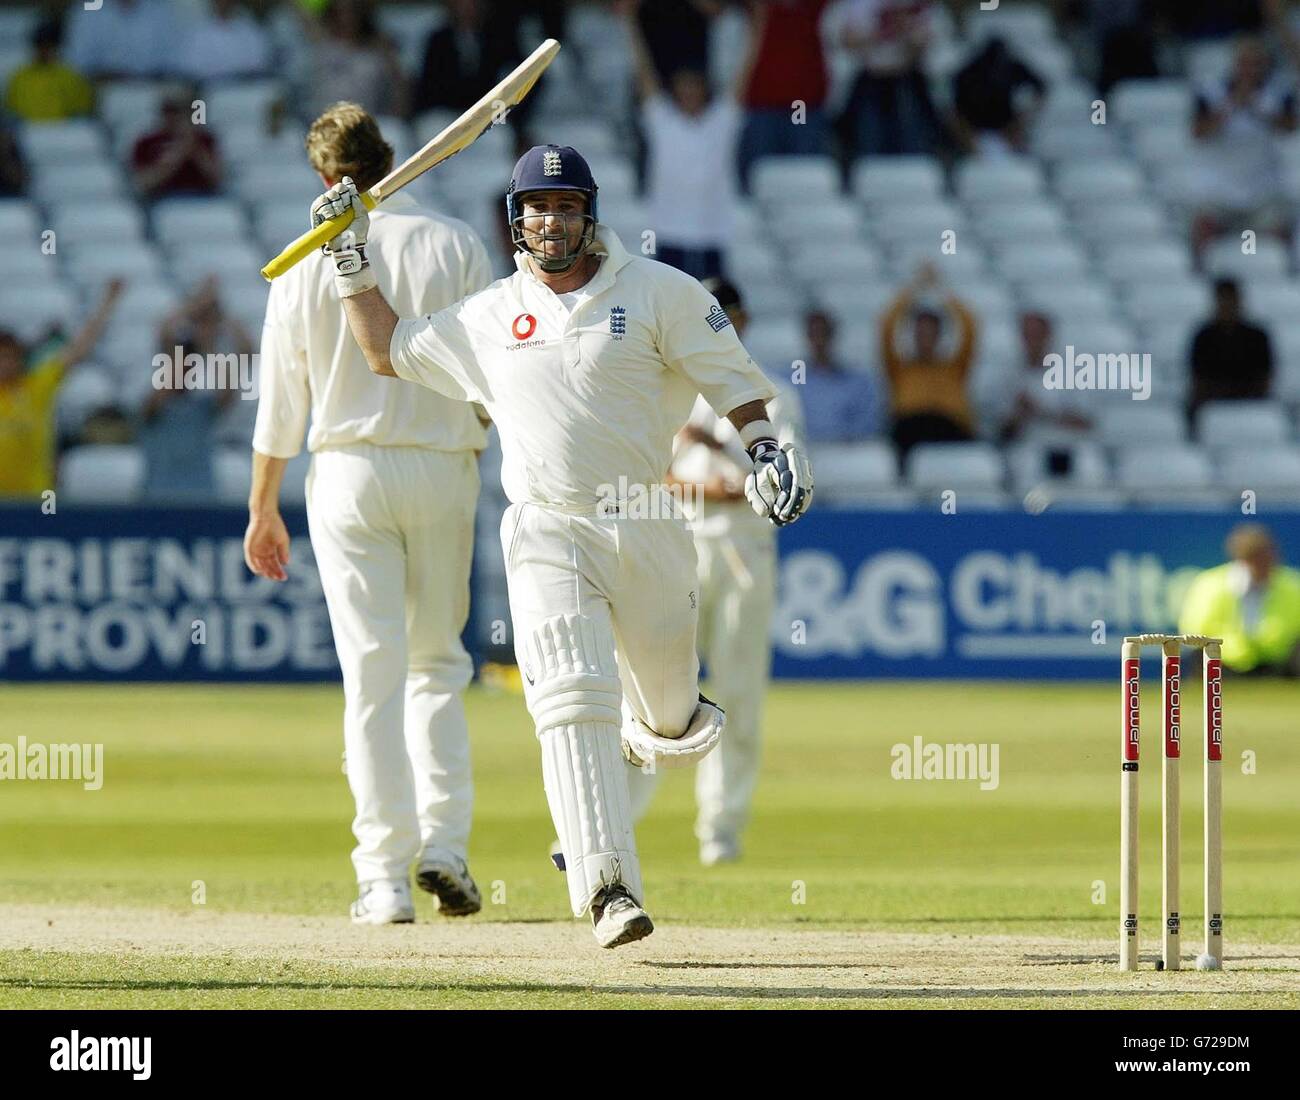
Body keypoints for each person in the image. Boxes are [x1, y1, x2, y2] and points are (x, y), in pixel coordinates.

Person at [314, 143, 813, 946]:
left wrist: (764, 449)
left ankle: (644, 740)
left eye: (566, 206)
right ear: (517, 221)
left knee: (672, 721)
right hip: (545, 523)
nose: (552, 221)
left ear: (590, 214)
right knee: (570, 701)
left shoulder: (659, 292)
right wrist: (348, 258)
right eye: (537, 207)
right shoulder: (486, 314)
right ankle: (607, 887)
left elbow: (733, 380)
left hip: (645, 518)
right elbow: (387, 349)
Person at [244, 103, 492, 925]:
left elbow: (281, 403)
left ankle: (384, 880)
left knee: (373, 678)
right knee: (438, 667)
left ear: (323, 179)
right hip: (443, 466)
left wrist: (262, 507)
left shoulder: (306, 262)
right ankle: (446, 845)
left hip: (346, 470)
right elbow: (497, 378)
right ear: (388, 158)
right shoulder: (456, 242)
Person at [631, 277, 805, 866]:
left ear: (741, 320)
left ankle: (721, 827)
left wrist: (719, 456)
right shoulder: (668, 389)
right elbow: (650, 478)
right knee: (654, 690)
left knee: (738, 691)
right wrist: (710, 480)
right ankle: (612, 825)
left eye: (725, 316)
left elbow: (780, 486)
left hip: (742, 553)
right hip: (674, 544)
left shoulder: (772, 395)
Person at [620, 0, 751, 280]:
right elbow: (645, 74)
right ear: (675, 90)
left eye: (695, 86)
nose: (690, 92)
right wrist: (630, 22)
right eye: (684, 86)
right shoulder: (663, 121)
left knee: (714, 312)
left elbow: (744, 76)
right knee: (668, 313)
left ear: (705, 89)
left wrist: (758, 27)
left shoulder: (720, 121)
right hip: (669, 233)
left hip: (712, 234)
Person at [0, 280, 125, 500]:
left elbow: (78, 350)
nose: (5, 363)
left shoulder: (36, 386)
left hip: (33, 500)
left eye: (10, 357)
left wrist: (107, 303)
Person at [1189, 37, 1296, 264]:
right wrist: (1231, 107)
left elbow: (1289, 127)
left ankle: (1287, 276)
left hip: (1262, 190)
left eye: (1256, 63)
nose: (1250, 69)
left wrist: (1258, 109)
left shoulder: (1278, 91)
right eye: (1245, 63)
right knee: (1201, 228)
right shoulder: (1212, 92)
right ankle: (1200, 277)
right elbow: (1199, 133)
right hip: (1221, 190)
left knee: (1282, 229)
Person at [139, 278, 247, 502]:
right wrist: (196, 307)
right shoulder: (152, 405)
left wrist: (216, 325)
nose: (187, 367)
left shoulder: (204, 407)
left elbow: (245, 353)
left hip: (201, 502)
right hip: (157, 503)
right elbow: (166, 333)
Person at [880, 265, 978, 465]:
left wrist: (942, 291)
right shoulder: (900, 369)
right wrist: (914, 289)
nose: (926, 337)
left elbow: (970, 327)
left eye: (931, 332)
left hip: (950, 430)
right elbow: (886, 327)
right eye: (921, 332)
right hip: (910, 430)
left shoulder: (954, 368)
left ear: (939, 335)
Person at [737, 0, 833, 191]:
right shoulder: (759, 6)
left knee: (803, 166)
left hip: (800, 103)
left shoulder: (811, 6)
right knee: (759, 170)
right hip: (762, 103)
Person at [1179, 524, 1300, 676]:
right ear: (1242, 560)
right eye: (1256, 559)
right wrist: (1235, 647)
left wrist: (1266, 642)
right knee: (1200, 655)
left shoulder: (1292, 585)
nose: (1264, 566)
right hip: (1225, 664)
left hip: (1278, 664)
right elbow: (1194, 629)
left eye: (1268, 558)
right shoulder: (1211, 584)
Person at [828, 0, 939, 158]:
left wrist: (903, 29)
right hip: (870, 80)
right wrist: (882, 31)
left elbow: (925, 42)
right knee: (869, 142)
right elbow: (846, 41)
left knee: (912, 144)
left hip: (906, 80)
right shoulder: (859, 3)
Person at [298, 0, 408, 123]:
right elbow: (300, 11)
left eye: (352, 12)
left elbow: (400, 85)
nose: (346, 18)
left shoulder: (379, 47)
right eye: (340, 13)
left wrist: (397, 117)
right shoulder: (320, 38)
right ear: (331, 14)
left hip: (367, 123)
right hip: (323, 123)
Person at [999, 311, 1093, 442]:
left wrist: (1040, 411)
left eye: (1036, 335)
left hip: (1065, 447)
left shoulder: (1072, 376)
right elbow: (1000, 432)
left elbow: (1086, 423)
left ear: (1048, 336)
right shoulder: (1009, 378)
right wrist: (1019, 414)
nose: (1032, 342)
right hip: (1023, 451)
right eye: (1027, 336)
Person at [1187, 278, 1273, 420]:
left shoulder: (1257, 336)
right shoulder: (1203, 336)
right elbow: (1198, 378)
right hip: (1213, 398)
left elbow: (1265, 376)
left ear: (1239, 301)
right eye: (1223, 300)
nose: (1227, 306)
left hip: (1250, 397)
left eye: (1231, 300)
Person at [797, 310, 883, 443]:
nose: (819, 341)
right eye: (814, 334)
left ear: (833, 336)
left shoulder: (858, 381)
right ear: (807, 337)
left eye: (823, 334)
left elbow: (868, 423)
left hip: (847, 452)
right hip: (805, 451)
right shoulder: (794, 381)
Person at [952, 36, 1045, 157]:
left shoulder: (1011, 67)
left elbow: (1041, 87)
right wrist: (967, 135)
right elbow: (955, 108)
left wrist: (1022, 119)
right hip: (974, 129)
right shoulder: (969, 71)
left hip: (1007, 128)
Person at [130, 88, 223, 199]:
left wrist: (194, 147)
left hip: (203, 198)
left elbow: (216, 179)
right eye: (170, 110)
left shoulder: (204, 139)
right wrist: (178, 154)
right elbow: (145, 183)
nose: (175, 117)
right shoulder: (146, 142)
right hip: (164, 199)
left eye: (182, 111)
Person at [3, 18, 95, 123]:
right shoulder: (18, 78)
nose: (44, 51)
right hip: (28, 133)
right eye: (40, 46)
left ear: (57, 47)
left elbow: (81, 113)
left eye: (49, 46)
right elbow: (11, 113)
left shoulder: (72, 77)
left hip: (63, 133)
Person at [64, 0, 181, 81]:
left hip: (151, 92)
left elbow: (174, 63)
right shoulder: (86, 12)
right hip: (100, 94)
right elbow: (74, 66)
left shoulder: (161, 10)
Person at [176, 0, 273, 83]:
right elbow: (191, 72)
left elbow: (261, 67)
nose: (224, 2)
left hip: (246, 91)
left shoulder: (251, 31)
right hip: (211, 93)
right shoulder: (199, 34)